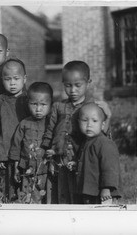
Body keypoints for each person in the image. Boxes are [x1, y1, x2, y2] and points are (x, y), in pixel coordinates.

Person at [41, 60, 112, 204]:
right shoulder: (58, 106)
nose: (73, 90)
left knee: (77, 196)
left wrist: (108, 117)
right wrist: (47, 150)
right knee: (61, 194)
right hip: (59, 159)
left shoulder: (92, 107)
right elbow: (50, 129)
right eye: (68, 85)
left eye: (78, 85)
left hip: (80, 161)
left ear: (88, 82)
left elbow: (100, 136)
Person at [0, 58, 30, 202]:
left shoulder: (29, 100)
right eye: (7, 79)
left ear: (24, 79)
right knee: (7, 190)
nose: (12, 83)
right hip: (5, 154)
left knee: (25, 189)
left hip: (25, 154)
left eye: (16, 78)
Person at [9, 82, 53, 204]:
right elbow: (16, 146)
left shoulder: (51, 124)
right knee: (27, 197)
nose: (38, 109)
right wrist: (16, 167)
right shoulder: (24, 124)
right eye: (34, 104)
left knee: (46, 198)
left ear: (50, 104)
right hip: (27, 168)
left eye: (43, 105)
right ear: (28, 103)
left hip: (46, 170)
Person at [76, 102, 121, 204]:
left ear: (103, 124)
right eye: (84, 120)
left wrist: (106, 188)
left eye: (94, 121)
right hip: (91, 192)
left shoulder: (105, 143)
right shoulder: (86, 142)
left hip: (104, 194)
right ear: (78, 122)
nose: (89, 125)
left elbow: (110, 168)